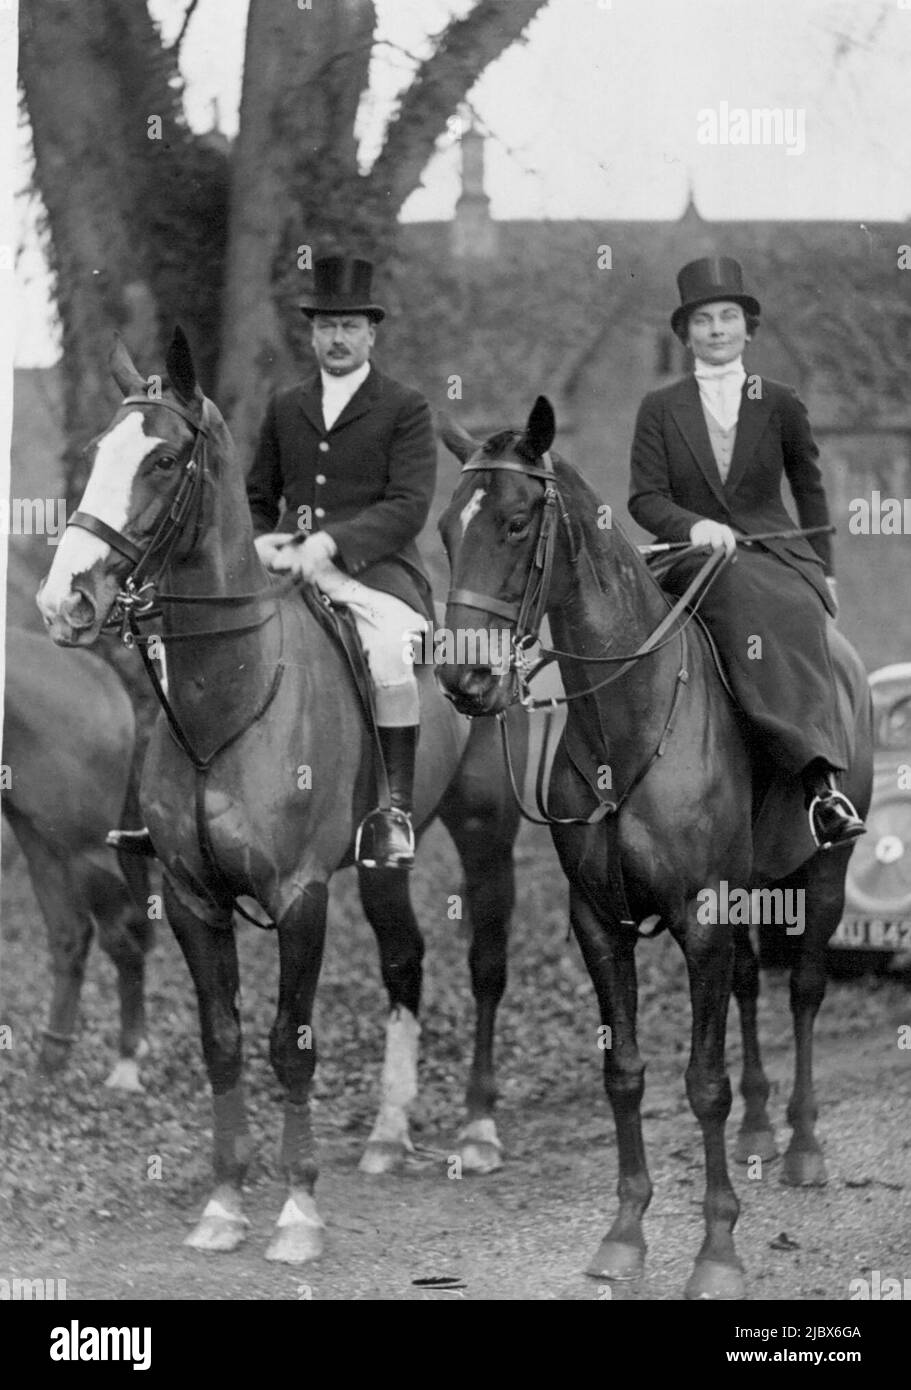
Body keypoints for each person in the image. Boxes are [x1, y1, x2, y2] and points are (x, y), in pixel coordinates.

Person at [110, 254, 436, 869]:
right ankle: (170, 810)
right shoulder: (288, 404)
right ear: (312, 335)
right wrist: (260, 540)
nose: (337, 339)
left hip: (375, 573)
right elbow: (255, 499)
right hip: (284, 569)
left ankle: (393, 811)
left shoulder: (406, 407)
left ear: (371, 334)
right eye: (326, 327)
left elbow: (409, 505)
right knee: (186, 642)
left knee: (390, 650)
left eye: (349, 327)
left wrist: (331, 543)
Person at [628, 255, 865, 849]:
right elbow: (644, 497)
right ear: (685, 334)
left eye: (728, 316)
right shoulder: (661, 406)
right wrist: (694, 525)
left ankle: (820, 782)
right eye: (703, 320)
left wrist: (826, 574)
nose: (716, 329)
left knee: (784, 605)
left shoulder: (780, 400)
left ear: (747, 329)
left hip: (773, 552)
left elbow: (809, 489)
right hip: (688, 554)